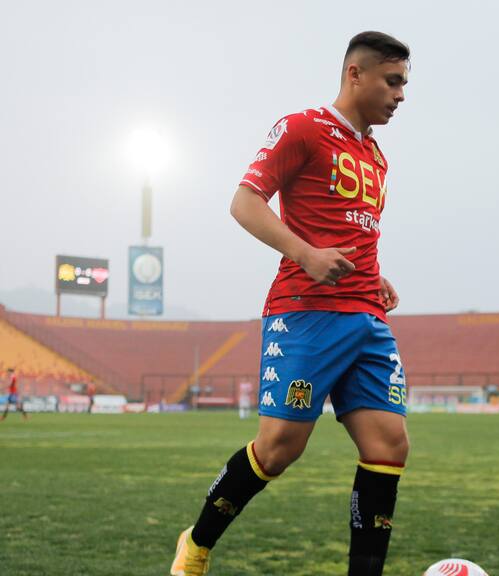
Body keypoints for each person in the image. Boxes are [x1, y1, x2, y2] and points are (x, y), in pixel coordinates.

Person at [170, 31, 410, 576]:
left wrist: (377, 276)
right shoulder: (302, 127)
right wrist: (304, 254)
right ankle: (197, 544)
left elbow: (350, 229)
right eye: (392, 81)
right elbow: (244, 201)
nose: (400, 95)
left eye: (404, 84)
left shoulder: (375, 155)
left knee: (389, 445)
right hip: (304, 313)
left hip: (366, 317)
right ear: (355, 74)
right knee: (278, 449)